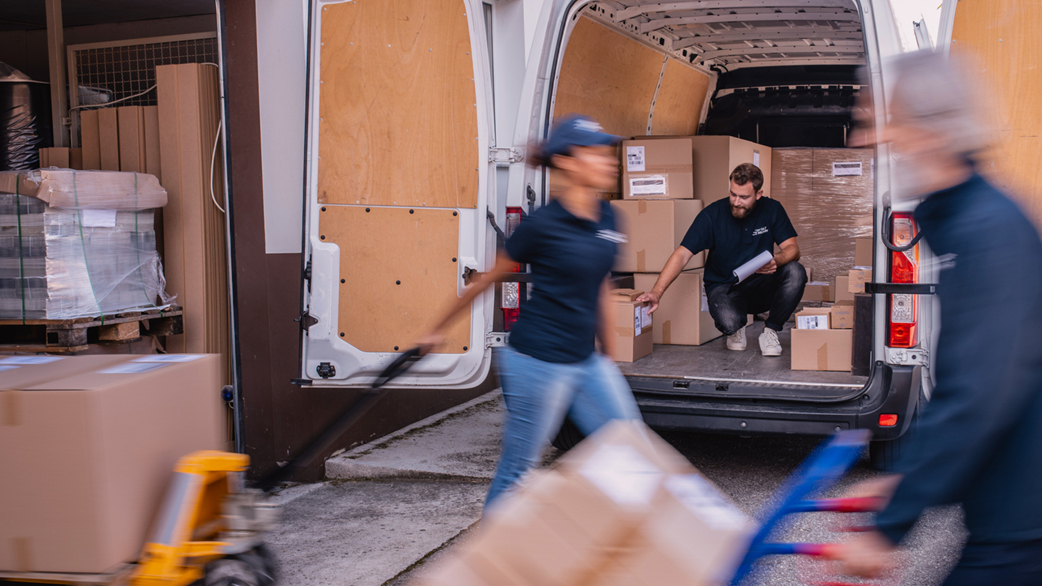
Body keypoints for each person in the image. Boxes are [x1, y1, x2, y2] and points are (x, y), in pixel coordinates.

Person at [829, 50, 1042, 585]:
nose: (864, 139)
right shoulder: (969, 221)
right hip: (1012, 513)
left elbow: (979, 393)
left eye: (881, 122)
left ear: (928, 131)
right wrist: (900, 482)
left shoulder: (986, 231)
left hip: (1023, 525)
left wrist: (890, 526)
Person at [418, 115, 640, 510]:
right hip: (536, 361)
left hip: (585, 360)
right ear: (569, 162)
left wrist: (610, 355)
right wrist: (435, 330)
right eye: (598, 152)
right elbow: (488, 280)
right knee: (518, 471)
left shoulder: (609, 218)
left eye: (610, 152)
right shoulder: (542, 225)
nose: (612, 160)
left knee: (630, 450)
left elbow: (601, 286)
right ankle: (489, 567)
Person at [636, 163, 807, 357]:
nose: (736, 201)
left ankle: (770, 331)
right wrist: (657, 292)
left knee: (795, 271)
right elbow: (682, 254)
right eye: (733, 194)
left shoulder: (772, 209)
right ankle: (736, 327)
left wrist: (777, 259)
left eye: (744, 197)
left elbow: (793, 249)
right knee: (729, 322)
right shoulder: (712, 215)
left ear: (758, 194)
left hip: (761, 284)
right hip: (725, 287)